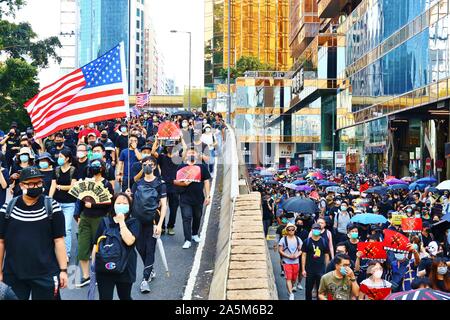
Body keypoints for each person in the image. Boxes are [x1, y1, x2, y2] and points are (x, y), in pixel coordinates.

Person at [0, 166, 68, 300]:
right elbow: (1, 242)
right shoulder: (7, 209)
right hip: (14, 274)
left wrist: (63, 271)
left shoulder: (52, 207)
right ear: (21, 185)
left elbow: (59, 240)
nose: (35, 186)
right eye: (30, 183)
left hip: (46, 274)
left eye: (38, 183)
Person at [93, 193, 140, 300]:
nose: (121, 205)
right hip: (105, 266)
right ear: (113, 204)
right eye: (118, 203)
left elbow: (129, 241)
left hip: (125, 267)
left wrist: (122, 222)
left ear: (130, 206)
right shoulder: (104, 221)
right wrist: (93, 265)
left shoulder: (134, 222)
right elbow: (96, 244)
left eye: (125, 203)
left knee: (125, 297)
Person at [131, 156, 167, 293]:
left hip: (152, 221)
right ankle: (150, 269)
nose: (147, 166)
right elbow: (131, 201)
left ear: (155, 167)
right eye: (144, 164)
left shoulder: (160, 184)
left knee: (150, 248)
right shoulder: (137, 183)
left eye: (150, 164)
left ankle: (145, 280)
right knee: (140, 248)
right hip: (137, 221)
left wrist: (160, 224)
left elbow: (164, 205)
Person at [76, 160, 114, 288]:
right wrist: (77, 216)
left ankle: (97, 274)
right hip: (85, 218)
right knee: (82, 247)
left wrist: (94, 204)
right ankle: (86, 276)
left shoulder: (107, 184)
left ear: (102, 168)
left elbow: (110, 202)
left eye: (97, 166)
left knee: (99, 247)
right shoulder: (86, 182)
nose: (94, 168)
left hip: (100, 219)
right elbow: (79, 200)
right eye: (93, 166)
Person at [174, 147, 211, 249]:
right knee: (186, 217)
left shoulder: (201, 167)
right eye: (190, 153)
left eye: (194, 153)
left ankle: (195, 234)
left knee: (197, 217)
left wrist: (208, 196)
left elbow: (206, 181)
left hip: (198, 197)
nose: (192, 154)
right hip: (185, 198)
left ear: (197, 155)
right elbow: (175, 181)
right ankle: (187, 239)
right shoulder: (181, 167)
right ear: (186, 155)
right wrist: (183, 184)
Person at [49, 148, 78, 261]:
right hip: (57, 202)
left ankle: (66, 253)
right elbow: (53, 185)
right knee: (54, 228)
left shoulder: (73, 170)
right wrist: (50, 199)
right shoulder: (56, 170)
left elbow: (73, 186)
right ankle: (55, 251)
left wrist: (60, 187)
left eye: (61, 157)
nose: (59, 159)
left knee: (67, 229)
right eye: (59, 157)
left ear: (67, 158)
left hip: (69, 203)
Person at [152, 138, 185, 235]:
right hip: (163, 185)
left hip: (175, 186)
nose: (170, 148)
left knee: (174, 208)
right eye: (169, 146)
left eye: (172, 146)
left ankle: (171, 226)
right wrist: (156, 140)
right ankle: (161, 226)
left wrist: (182, 139)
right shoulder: (162, 157)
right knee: (162, 206)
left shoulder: (178, 158)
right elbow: (153, 152)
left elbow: (185, 150)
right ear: (166, 148)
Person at [301, 223, 330, 300]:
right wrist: (303, 269)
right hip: (309, 269)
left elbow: (327, 256)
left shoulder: (324, 242)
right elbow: (303, 255)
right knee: (308, 289)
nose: (316, 230)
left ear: (320, 231)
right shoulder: (306, 241)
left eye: (318, 229)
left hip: (320, 270)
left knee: (320, 290)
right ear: (311, 230)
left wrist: (326, 269)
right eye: (315, 229)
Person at [278, 223, 303, 300]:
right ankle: (291, 294)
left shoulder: (298, 239)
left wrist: (297, 255)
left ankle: (291, 288)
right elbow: (280, 250)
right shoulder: (283, 239)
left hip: (296, 262)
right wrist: (288, 256)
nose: (291, 231)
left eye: (292, 229)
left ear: (295, 230)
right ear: (287, 230)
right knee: (288, 278)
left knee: (293, 278)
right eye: (289, 229)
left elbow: (301, 250)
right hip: (287, 262)